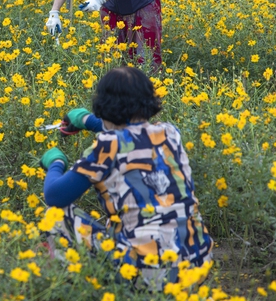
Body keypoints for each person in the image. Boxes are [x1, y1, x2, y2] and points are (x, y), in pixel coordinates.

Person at [39, 67, 213, 290]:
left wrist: (55, 162)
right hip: (196, 269)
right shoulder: (171, 133)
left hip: (147, 274)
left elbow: (54, 195)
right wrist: (85, 120)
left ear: (103, 106)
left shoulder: (107, 146)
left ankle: (80, 289)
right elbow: (132, 132)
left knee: (55, 216)